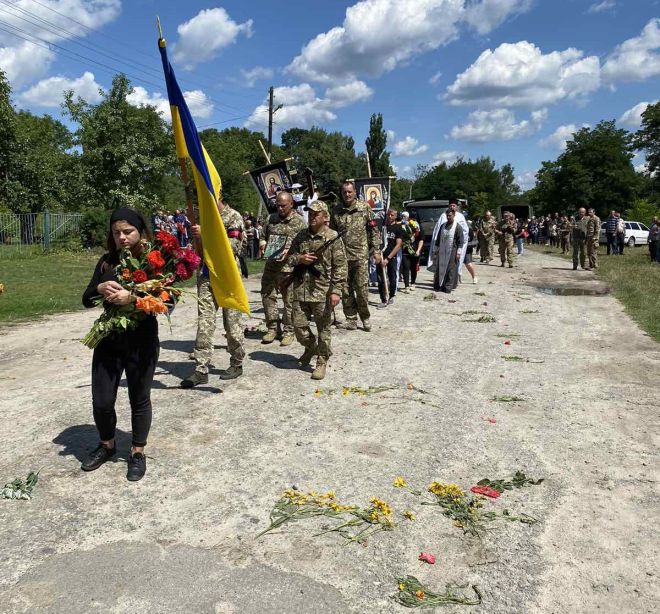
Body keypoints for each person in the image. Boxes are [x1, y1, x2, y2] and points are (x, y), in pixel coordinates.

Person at [81, 208, 157, 481]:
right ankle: (107, 445)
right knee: (102, 400)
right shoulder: (106, 262)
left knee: (139, 398)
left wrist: (133, 298)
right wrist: (98, 290)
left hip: (141, 341)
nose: (122, 237)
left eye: (128, 232)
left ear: (140, 232)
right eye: (117, 233)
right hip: (109, 340)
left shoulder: (154, 262)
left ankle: (137, 452)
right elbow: (86, 299)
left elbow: (167, 303)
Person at [180, 199, 246, 388]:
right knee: (205, 323)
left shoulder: (233, 217)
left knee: (232, 323)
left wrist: (206, 235)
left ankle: (236, 362)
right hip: (207, 276)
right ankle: (201, 368)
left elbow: (234, 247)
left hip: (228, 277)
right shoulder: (203, 218)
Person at [287, 201, 347, 380]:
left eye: (316, 214)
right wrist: (300, 258)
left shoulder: (333, 237)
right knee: (298, 326)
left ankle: (322, 360)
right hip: (301, 289)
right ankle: (311, 346)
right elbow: (289, 258)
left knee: (324, 329)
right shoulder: (301, 236)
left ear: (325, 217)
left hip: (322, 290)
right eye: (310, 214)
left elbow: (341, 266)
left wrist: (336, 290)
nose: (312, 217)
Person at [330, 181, 382, 331]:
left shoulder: (364, 207)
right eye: (344, 192)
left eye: (350, 192)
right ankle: (351, 319)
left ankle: (365, 318)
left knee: (361, 290)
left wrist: (377, 250)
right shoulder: (336, 210)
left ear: (355, 192)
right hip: (342, 257)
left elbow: (373, 230)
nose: (347, 194)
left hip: (360, 255)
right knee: (346, 291)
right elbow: (332, 234)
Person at [259, 191, 306, 345]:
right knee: (267, 296)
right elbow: (263, 236)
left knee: (289, 301)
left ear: (291, 204)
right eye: (277, 205)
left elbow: (304, 246)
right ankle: (273, 328)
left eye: (283, 206)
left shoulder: (299, 222)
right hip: (271, 266)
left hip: (289, 268)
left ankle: (288, 330)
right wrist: (262, 244)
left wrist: (292, 253)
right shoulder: (271, 219)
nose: (280, 209)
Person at [428, 199, 469, 277]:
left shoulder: (460, 216)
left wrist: (461, 242)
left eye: (454, 206)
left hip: (454, 245)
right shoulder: (443, 215)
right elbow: (438, 230)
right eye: (451, 205)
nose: (452, 207)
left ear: (457, 207)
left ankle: (453, 279)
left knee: (453, 263)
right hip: (443, 244)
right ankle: (441, 277)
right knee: (442, 262)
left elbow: (465, 230)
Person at [429, 208, 465, 293]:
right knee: (440, 267)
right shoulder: (443, 225)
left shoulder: (457, 227)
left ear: (454, 215)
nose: (448, 217)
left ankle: (448, 287)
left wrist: (459, 252)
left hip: (452, 250)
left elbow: (461, 241)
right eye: (447, 216)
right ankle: (438, 286)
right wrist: (436, 249)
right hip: (442, 249)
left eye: (450, 216)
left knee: (450, 269)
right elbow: (438, 238)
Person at [375, 208, 404, 306]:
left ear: (396, 216)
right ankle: (383, 299)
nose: (390, 217)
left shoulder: (398, 228)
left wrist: (388, 258)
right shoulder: (382, 227)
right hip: (380, 255)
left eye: (392, 215)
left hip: (391, 257)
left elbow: (398, 245)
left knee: (392, 277)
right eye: (388, 215)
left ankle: (391, 296)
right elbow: (376, 241)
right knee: (380, 278)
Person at [400, 211, 423, 291]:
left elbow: (421, 239)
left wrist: (418, 250)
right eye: (402, 216)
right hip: (405, 250)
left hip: (415, 250)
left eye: (405, 216)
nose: (404, 218)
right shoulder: (402, 226)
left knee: (413, 268)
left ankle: (413, 283)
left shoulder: (418, 227)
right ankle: (406, 285)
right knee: (406, 267)